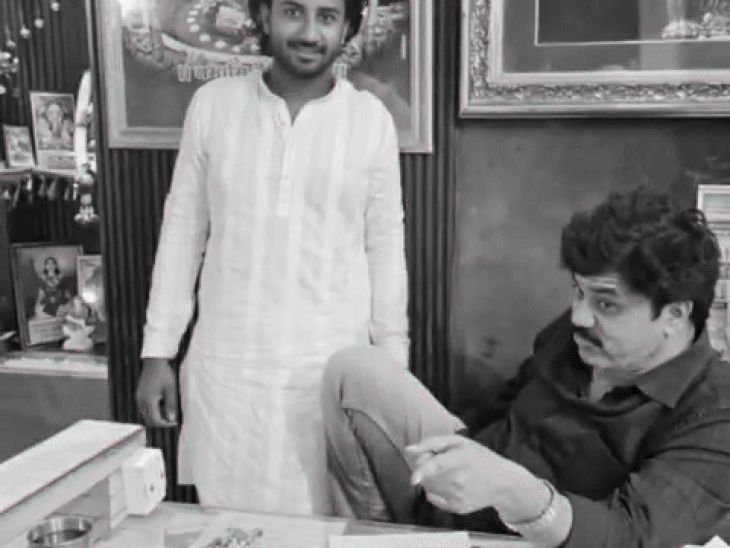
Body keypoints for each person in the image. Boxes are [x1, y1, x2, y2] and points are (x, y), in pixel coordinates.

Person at [322, 187, 730, 547]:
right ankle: (382, 535)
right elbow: (500, 410)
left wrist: (515, 491)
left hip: (540, 537)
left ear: (674, 315)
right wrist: (462, 457)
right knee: (357, 372)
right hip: (465, 501)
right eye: (578, 291)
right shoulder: (577, 334)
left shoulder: (714, 410)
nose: (579, 316)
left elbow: (632, 535)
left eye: (606, 303)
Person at [136, 0, 408, 516]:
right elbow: (182, 231)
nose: (309, 32)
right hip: (230, 373)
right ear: (263, 17)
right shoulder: (214, 106)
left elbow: (385, 247)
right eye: (292, 12)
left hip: (327, 374)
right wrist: (158, 352)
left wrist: (393, 371)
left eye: (327, 17)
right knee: (231, 526)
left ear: (348, 28)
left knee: (324, 529)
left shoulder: (370, 120)